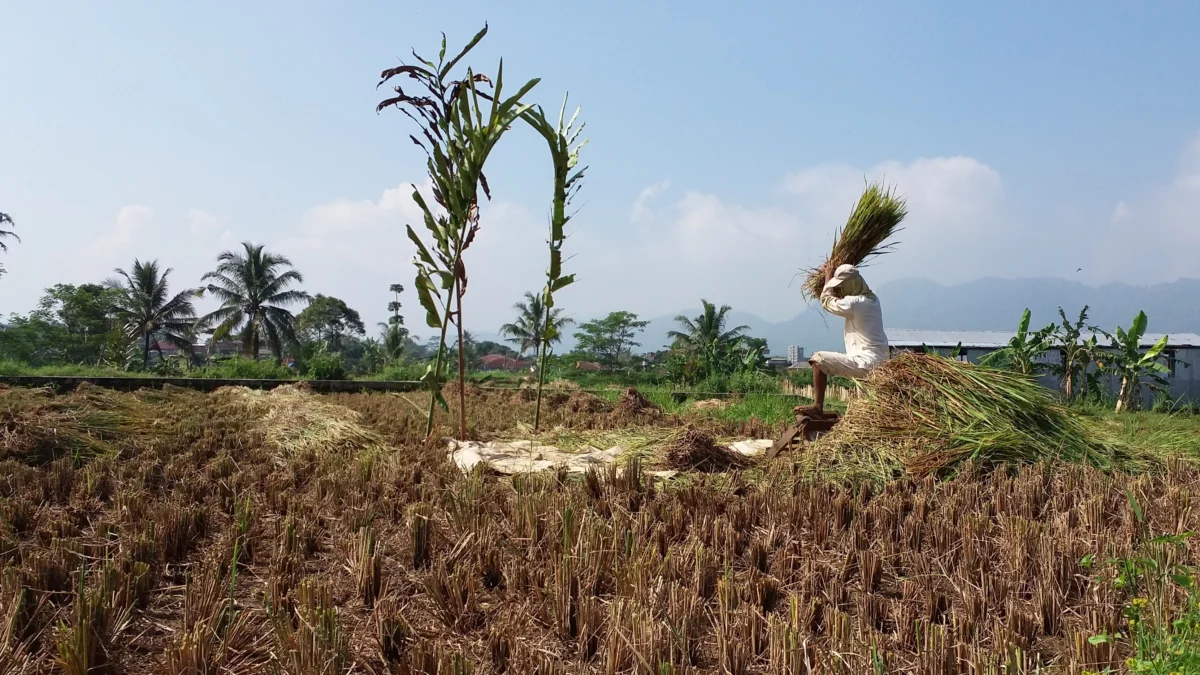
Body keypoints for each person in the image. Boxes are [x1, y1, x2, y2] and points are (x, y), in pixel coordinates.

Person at [795, 263, 889, 419]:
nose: (840, 290)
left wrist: (827, 278)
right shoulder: (872, 300)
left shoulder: (856, 303)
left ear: (851, 285)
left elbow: (827, 302)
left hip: (865, 362)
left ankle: (817, 407)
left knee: (818, 360)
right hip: (877, 360)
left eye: (842, 286)